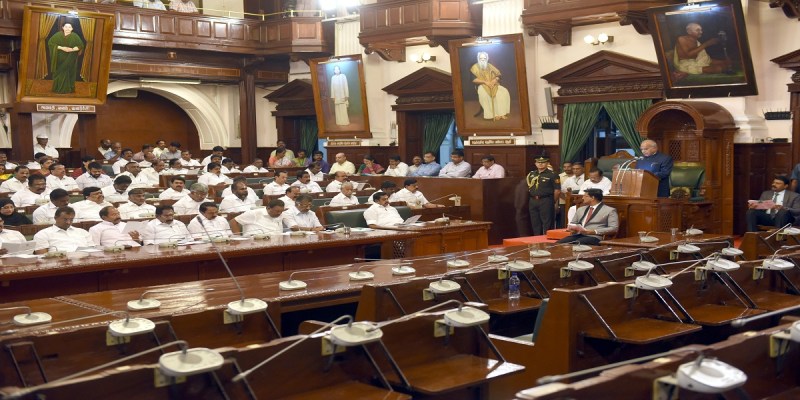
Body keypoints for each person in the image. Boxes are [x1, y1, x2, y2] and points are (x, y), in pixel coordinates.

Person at [470, 51, 511, 121]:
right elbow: (473, 79)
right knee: (486, 95)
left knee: (503, 92)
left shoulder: (490, 66)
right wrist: (485, 82)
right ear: (478, 58)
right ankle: (493, 115)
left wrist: (495, 80)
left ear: (487, 58)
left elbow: (499, 75)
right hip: (482, 85)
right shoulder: (474, 67)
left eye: (484, 58)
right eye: (481, 58)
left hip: (493, 84)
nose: (482, 59)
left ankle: (501, 113)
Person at [526, 155, 561, 235]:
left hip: (546, 200)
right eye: (538, 162)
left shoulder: (553, 174)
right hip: (533, 200)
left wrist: (552, 201)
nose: (540, 164)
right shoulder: (531, 174)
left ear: (547, 163)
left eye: (543, 162)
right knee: (535, 222)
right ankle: (537, 240)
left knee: (547, 223)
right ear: (535, 163)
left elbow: (557, 190)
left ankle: (547, 242)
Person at [47, 23, 84, 94]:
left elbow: (80, 46)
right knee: (59, 72)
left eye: (69, 27)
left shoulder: (75, 36)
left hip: (71, 58)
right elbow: (50, 43)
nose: (67, 28)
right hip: (59, 58)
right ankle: (57, 89)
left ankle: (69, 89)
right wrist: (62, 48)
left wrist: (72, 49)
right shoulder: (57, 35)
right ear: (63, 27)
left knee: (69, 72)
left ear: (72, 29)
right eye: (66, 27)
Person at [230, 199, 296, 235]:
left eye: (281, 211)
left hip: (276, 242)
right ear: (268, 208)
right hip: (255, 242)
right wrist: (238, 237)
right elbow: (233, 221)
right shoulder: (255, 213)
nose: (279, 213)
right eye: (277, 211)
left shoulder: (281, 214)